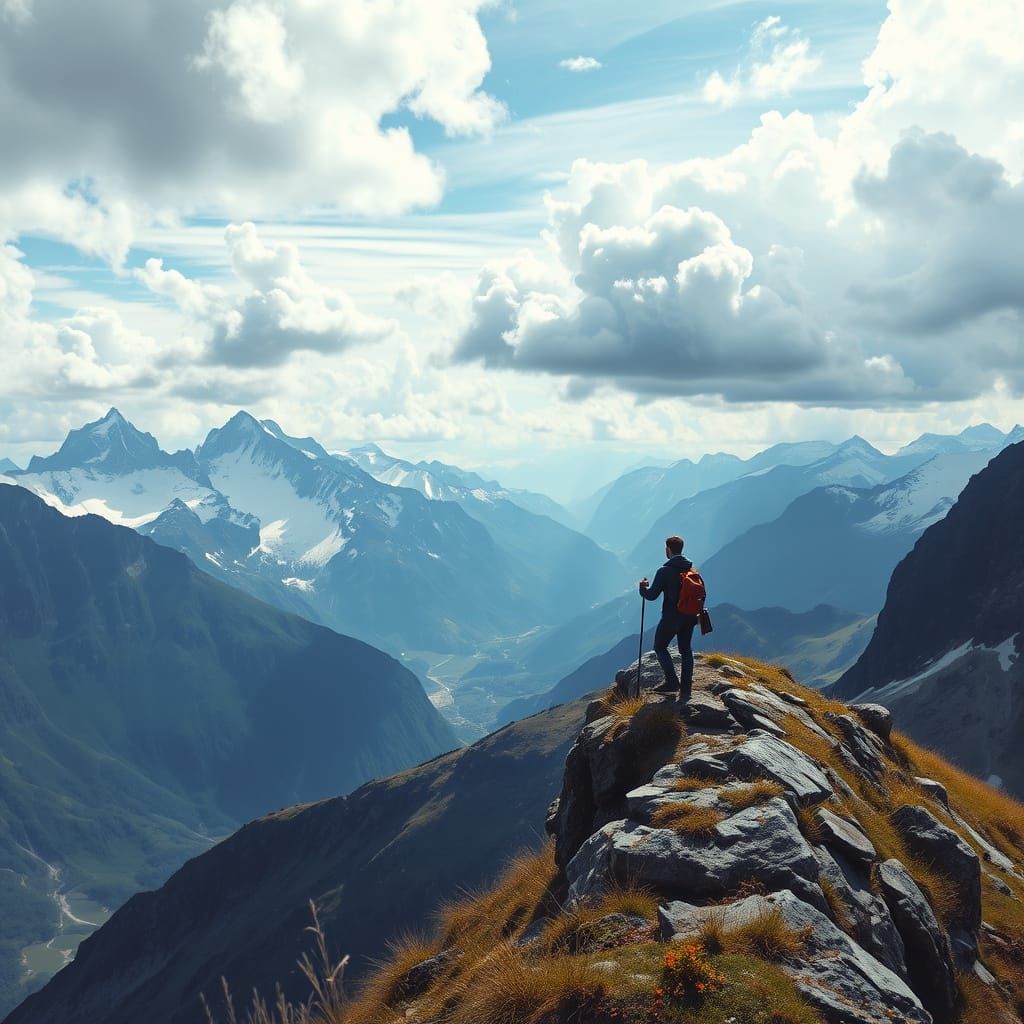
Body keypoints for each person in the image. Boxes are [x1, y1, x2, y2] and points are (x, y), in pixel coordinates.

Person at [639, 535, 698, 702]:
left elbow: (651, 596)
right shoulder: (690, 570)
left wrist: (642, 589)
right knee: (686, 650)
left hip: (672, 617)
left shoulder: (664, 571)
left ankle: (672, 682)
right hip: (690, 616)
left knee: (660, 646)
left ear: (668, 550)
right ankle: (686, 689)